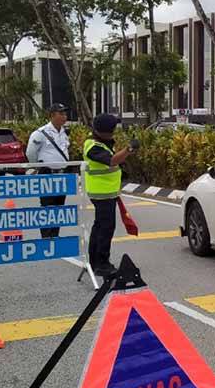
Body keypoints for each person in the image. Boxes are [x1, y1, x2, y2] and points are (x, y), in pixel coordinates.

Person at [83, 114, 138, 277]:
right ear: (103, 131)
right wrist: (128, 149)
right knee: (106, 228)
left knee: (99, 226)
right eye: (112, 130)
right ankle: (102, 264)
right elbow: (112, 161)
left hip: (106, 192)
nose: (114, 132)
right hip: (101, 193)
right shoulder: (93, 146)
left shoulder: (102, 142)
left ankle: (95, 261)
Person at [26, 103, 71, 238]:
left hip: (62, 174)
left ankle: (55, 235)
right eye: (61, 113)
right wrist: (38, 167)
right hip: (47, 174)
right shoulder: (40, 133)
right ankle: (46, 236)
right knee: (47, 207)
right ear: (52, 116)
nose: (64, 116)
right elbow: (30, 153)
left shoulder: (64, 132)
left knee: (59, 208)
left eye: (65, 113)